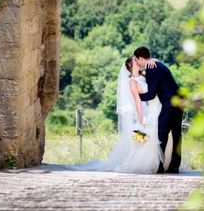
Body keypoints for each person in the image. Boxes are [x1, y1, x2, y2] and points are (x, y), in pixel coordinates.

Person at [69, 56, 164, 174]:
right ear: (130, 65)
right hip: (146, 112)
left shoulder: (144, 74)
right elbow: (138, 101)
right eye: (135, 60)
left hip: (157, 107)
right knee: (150, 137)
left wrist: (151, 61)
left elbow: (154, 65)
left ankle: (163, 164)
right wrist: (141, 120)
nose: (138, 61)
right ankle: (152, 164)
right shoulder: (133, 81)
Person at [134, 46, 183, 174]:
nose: (137, 63)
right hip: (180, 102)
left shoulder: (152, 68)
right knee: (177, 135)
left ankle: (160, 165)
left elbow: (150, 94)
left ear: (140, 58)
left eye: (137, 60)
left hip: (170, 104)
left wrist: (136, 96)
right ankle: (174, 166)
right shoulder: (157, 65)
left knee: (162, 133)